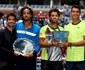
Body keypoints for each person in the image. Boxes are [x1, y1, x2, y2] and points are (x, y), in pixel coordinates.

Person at [58, 5, 85, 70]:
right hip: (69, 59)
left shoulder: (84, 25)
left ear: (80, 13)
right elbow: (64, 43)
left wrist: (70, 44)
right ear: (70, 13)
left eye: (77, 12)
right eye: (73, 11)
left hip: (82, 59)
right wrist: (59, 43)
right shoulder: (66, 27)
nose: (75, 13)